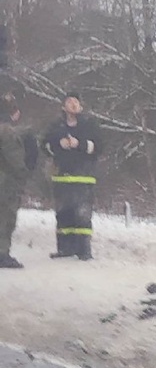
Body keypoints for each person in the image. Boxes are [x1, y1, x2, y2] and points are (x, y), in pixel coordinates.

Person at [42, 92, 99, 260]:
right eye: (69, 101)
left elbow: (99, 146)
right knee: (63, 213)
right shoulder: (56, 127)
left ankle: (84, 250)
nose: (73, 104)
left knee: (82, 215)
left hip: (83, 177)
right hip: (61, 177)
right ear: (63, 107)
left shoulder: (89, 125)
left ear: (81, 106)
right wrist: (58, 145)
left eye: (76, 101)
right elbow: (44, 145)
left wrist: (79, 144)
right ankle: (64, 248)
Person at [0, 88, 37, 269]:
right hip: (5, 184)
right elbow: (15, 161)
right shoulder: (7, 132)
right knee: (5, 218)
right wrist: (25, 174)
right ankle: (2, 254)